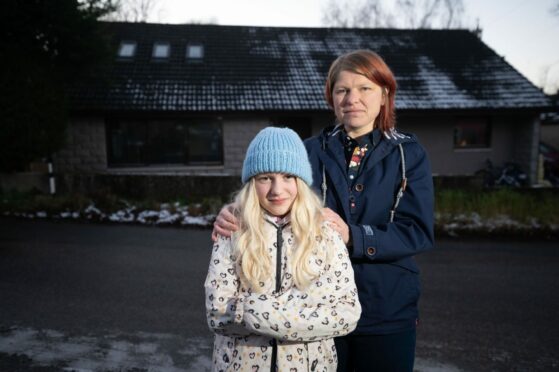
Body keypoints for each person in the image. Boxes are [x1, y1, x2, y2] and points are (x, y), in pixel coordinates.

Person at [213, 50, 435, 372]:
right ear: (331, 97)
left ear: (385, 93)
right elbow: (273, 198)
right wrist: (236, 212)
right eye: (342, 90)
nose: (352, 98)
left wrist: (353, 236)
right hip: (313, 307)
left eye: (365, 88)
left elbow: (417, 230)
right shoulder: (307, 151)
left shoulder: (408, 154)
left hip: (387, 309)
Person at [205, 127, 361, 372]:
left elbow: (346, 314)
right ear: (251, 182)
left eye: (288, 176)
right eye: (265, 178)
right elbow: (217, 313)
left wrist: (253, 309)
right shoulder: (232, 231)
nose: (277, 190)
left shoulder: (326, 233)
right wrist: (304, 306)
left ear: (301, 180)